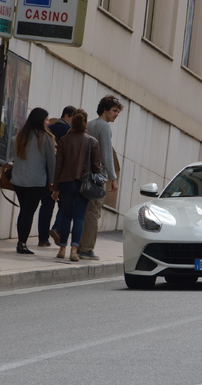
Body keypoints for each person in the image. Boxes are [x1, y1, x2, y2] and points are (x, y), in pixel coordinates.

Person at [52, 109, 101, 262]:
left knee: (66, 215)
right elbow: (96, 167)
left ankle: (62, 248)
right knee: (79, 217)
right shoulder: (92, 142)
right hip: (83, 184)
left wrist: (55, 188)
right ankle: (74, 250)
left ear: (72, 121)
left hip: (66, 182)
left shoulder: (64, 140)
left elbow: (58, 166)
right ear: (85, 123)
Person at [78, 95, 124, 260]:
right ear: (104, 110)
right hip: (97, 177)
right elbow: (107, 154)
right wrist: (113, 177)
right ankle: (86, 248)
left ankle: (76, 244)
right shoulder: (104, 127)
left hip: (83, 174)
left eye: (118, 111)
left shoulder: (89, 124)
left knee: (81, 211)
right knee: (93, 212)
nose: (116, 114)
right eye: (114, 110)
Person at [10, 107, 56, 255]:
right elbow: (51, 162)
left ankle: (20, 242)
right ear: (40, 120)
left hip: (18, 179)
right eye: (46, 119)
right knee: (29, 212)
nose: (48, 122)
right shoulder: (46, 138)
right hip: (36, 181)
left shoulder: (19, 136)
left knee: (23, 210)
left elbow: (12, 157)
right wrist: (53, 181)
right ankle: (22, 244)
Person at [39, 105, 75, 247]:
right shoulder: (69, 133)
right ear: (66, 116)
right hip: (63, 175)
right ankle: (57, 228)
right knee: (65, 205)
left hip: (46, 173)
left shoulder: (49, 129)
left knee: (46, 206)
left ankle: (42, 239)